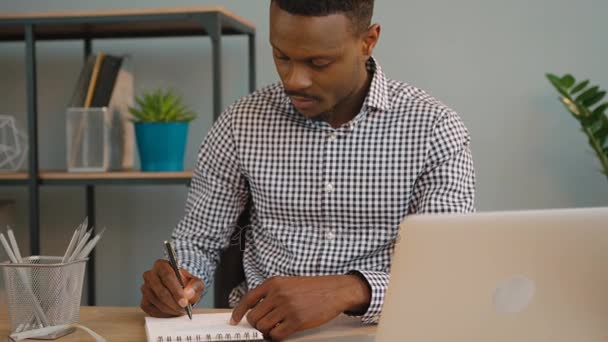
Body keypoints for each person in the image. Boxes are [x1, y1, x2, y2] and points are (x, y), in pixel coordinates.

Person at [140, 0, 475, 340]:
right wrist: (177, 278)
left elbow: (446, 271)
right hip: (260, 332)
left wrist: (352, 289)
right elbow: (198, 241)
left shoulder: (434, 128)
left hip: (386, 332)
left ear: (368, 41)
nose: (294, 80)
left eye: (318, 62)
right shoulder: (241, 123)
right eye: (282, 56)